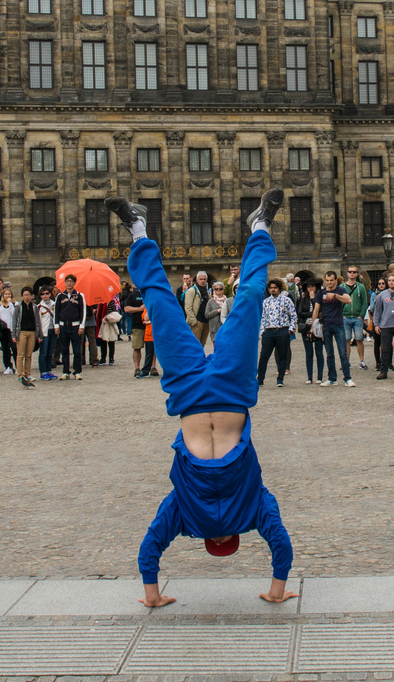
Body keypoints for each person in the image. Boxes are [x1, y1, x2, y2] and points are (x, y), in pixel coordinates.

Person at [108, 190, 295, 607]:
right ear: (230, 540)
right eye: (225, 540)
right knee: (249, 299)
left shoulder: (185, 513)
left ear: (212, 541)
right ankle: (259, 225)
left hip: (189, 393)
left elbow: (151, 547)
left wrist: (153, 596)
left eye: (218, 540)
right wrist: (276, 590)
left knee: (161, 303)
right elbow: (279, 545)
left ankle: (137, 228)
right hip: (231, 389)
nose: (221, 532)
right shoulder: (252, 509)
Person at [313, 271, 353, 386]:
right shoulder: (321, 292)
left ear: (336, 280)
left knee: (342, 353)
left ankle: (347, 378)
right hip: (326, 325)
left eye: (331, 280)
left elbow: (348, 300)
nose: (329, 282)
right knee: (329, 353)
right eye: (327, 280)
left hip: (338, 324)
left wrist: (335, 296)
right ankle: (332, 378)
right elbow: (316, 310)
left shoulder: (340, 290)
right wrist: (312, 327)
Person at [257, 278, 296, 387]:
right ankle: (260, 379)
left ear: (279, 289)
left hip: (282, 330)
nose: (273, 290)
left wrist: (290, 329)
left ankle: (280, 379)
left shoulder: (286, 300)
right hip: (268, 331)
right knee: (264, 356)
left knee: (282, 356)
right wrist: (262, 331)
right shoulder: (265, 302)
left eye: (275, 288)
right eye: (271, 288)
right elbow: (262, 317)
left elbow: (293, 315)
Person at [55, 274, 86, 379]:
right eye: (67, 281)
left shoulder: (79, 295)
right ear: (65, 283)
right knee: (64, 350)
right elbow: (56, 311)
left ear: (74, 283)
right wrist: (56, 325)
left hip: (75, 326)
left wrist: (82, 325)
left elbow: (83, 311)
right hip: (63, 326)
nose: (69, 283)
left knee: (77, 350)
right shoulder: (60, 296)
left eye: (71, 281)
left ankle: (77, 371)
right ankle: (65, 371)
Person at [341, 266, 370, 371]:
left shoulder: (361, 287)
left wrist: (361, 315)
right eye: (350, 272)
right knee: (346, 340)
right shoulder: (342, 287)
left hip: (357, 317)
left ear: (357, 274)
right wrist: (342, 315)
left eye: (354, 272)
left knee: (359, 339)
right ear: (347, 273)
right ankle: (346, 361)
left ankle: (362, 361)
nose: (352, 273)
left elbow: (364, 301)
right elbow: (339, 302)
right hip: (346, 317)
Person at [296, 278, 325, 384]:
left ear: (317, 287)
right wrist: (311, 314)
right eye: (308, 287)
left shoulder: (321, 298)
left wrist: (313, 299)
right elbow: (300, 313)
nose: (310, 289)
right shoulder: (303, 299)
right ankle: (309, 377)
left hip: (317, 327)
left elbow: (320, 311)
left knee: (319, 352)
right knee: (309, 353)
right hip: (306, 327)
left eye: (312, 286)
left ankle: (320, 377)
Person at [14, 287, 40, 388]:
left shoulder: (34, 307)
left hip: (32, 332)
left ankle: (27, 373)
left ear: (31, 296)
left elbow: (37, 321)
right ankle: (20, 375)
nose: (26, 296)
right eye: (25, 295)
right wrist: (14, 334)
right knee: (21, 354)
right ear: (22, 296)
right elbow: (14, 320)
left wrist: (39, 333)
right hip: (22, 332)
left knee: (29, 355)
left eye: (28, 295)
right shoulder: (18, 306)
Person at [0, 286, 18, 376]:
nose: (7, 295)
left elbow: (14, 315)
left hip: (12, 329)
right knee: (5, 348)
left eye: (9, 294)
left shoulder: (15, 304)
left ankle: (18, 366)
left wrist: (10, 304)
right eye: (6, 294)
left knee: (14, 348)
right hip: (3, 329)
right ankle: (8, 366)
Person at [122, 285, 146, 374]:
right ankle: (137, 367)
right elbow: (126, 308)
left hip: (150, 325)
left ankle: (152, 367)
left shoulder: (150, 294)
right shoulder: (133, 295)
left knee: (152, 348)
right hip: (137, 325)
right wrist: (139, 309)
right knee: (137, 347)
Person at [183, 271, 211, 347]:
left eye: (204, 279)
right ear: (197, 280)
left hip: (206, 321)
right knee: (195, 344)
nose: (202, 281)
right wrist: (193, 321)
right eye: (201, 279)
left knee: (202, 344)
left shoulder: (206, 291)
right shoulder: (192, 290)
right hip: (197, 321)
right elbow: (188, 307)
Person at [37, 286, 58, 380]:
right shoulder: (39, 307)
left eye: (47, 293)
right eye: (43, 294)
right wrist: (39, 334)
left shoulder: (54, 304)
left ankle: (49, 370)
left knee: (50, 352)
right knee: (43, 352)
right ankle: (43, 371)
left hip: (53, 330)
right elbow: (37, 322)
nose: (45, 295)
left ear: (50, 294)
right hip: (44, 332)